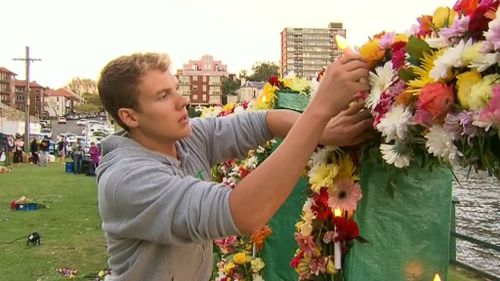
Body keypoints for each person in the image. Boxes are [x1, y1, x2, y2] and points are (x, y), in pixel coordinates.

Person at [96, 52, 370, 280]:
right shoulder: (127, 180)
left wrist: (321, 132)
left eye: (176, 88)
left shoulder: (187, 139)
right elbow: (243, 213)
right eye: (163, 96)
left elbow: (264, 121)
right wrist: (319, 109)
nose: (183, 101)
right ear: (130, 117)